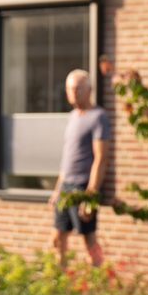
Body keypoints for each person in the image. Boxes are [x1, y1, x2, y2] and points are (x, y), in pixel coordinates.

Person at [48, 69, 111, 266]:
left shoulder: (98, 117)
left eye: (77, 89)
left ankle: (99, 283)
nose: (73, 93)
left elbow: (101, 158)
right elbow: (67, 157)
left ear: (89, 89)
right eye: (69, 89)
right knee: (57, 239)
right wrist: (58, 189)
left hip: (82, 187)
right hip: (66, 187)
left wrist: (91, 195)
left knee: (88, 240)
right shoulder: (73, 116)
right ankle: (61, 284)